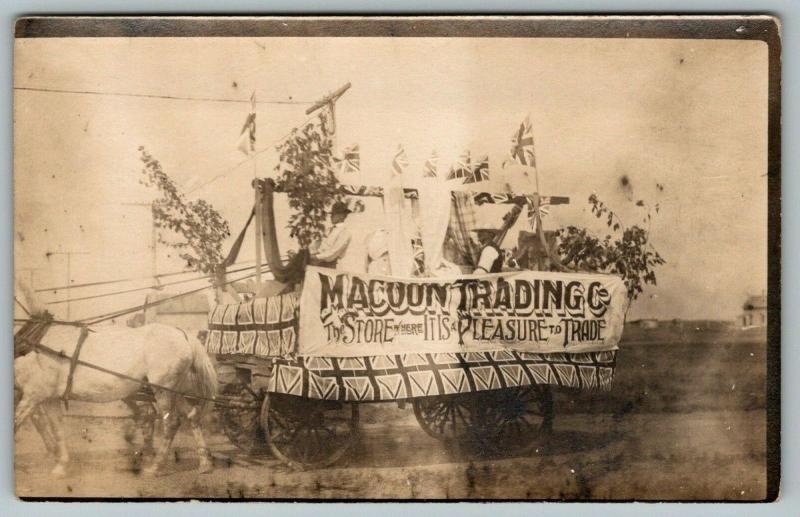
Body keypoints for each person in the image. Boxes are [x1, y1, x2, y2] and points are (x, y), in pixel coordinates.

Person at [310, 201, 352, 268]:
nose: (331, 216)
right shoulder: (329, 229)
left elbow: (333, 253)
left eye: (334, 214)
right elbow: (318, 245)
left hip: (332, 264)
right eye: (331, 214)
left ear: (342, 216)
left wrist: (315, 257)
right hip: (319, 261)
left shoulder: (345, 232)